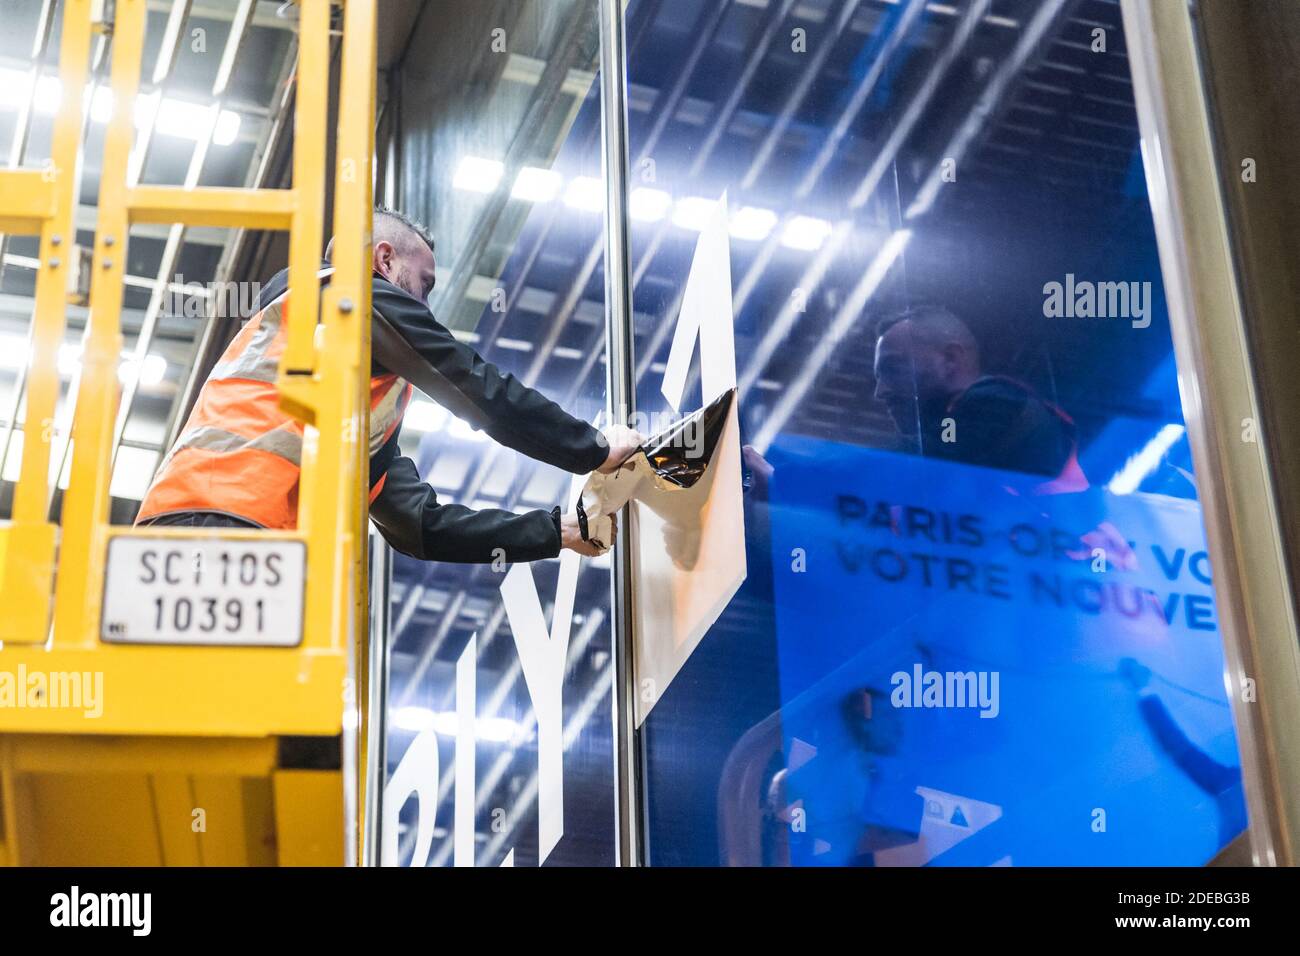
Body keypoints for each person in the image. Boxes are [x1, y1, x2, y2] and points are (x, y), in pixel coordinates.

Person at [135, 206, 640, 563]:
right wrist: (594, 450)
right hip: (229, 529)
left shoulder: (360, 407)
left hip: (195, 534)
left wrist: (557, 532)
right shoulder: (346, 294)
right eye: (423, 285)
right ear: (383, 260)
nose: (425, 306)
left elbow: (420, 526)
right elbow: (471, 384)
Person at [871, 304, 1086, 488]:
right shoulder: (954, 423)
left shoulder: (998, 405)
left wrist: (842, 468)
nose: (880, 392)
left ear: (950, 359)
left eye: (894, 368)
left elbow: (939, 453)